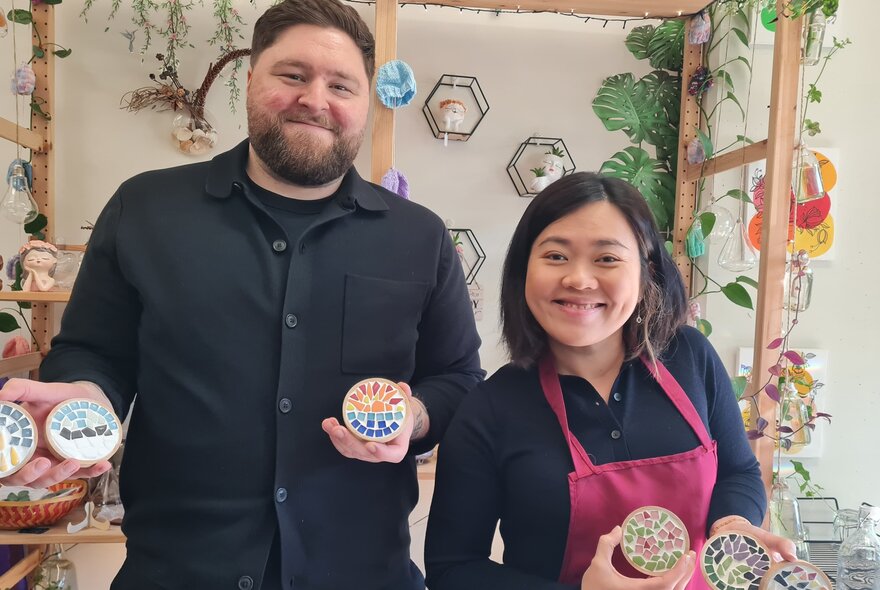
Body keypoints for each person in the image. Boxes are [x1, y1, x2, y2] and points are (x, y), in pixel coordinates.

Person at [0, 1, 483, 588]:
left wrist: (413, 415)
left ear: (367, 103)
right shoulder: (146, 209)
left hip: (362, 569)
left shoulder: (420, 236)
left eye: (341, 84)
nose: (316, 99)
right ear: (252, 79)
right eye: (293, 75)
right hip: (177, 569)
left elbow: (458, 377)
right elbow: (94, 352)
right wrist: (81, 397)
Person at [424, 172, 796, 590]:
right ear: (523, 271)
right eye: (556, 256)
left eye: (607, 258)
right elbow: (452, 569)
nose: (579, 279)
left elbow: (738, 470)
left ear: (645, 274)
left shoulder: (689, 356)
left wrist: (732, 522)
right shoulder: (490, 408)